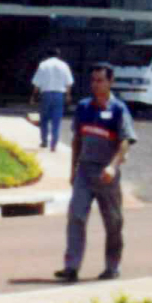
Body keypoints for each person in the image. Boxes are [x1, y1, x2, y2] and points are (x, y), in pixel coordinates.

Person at [57, 62, 134, 281]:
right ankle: (71, 267)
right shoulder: (83, 107)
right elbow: (77, 140)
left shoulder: (118, 109)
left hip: (106, 174)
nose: (95, 84)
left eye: (100, 80)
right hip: (85, 171)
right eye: (93, 80)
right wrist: (73, 170)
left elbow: (125, 141)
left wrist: (113, 166)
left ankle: (112, 266)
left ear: (110, 82)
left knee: (113, 222)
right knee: (76, 216)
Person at [31, 51, 75, 152]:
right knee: (57, 120)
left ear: (47, 55)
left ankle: (44, 141)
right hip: (59, 94)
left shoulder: (43, 65)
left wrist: (34, 96)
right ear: (58, 55)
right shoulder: (64, 65)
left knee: (44, 119)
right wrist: (68, 95)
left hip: (46, 94)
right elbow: (69, 82)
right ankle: (54, 144)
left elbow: (37, 83)